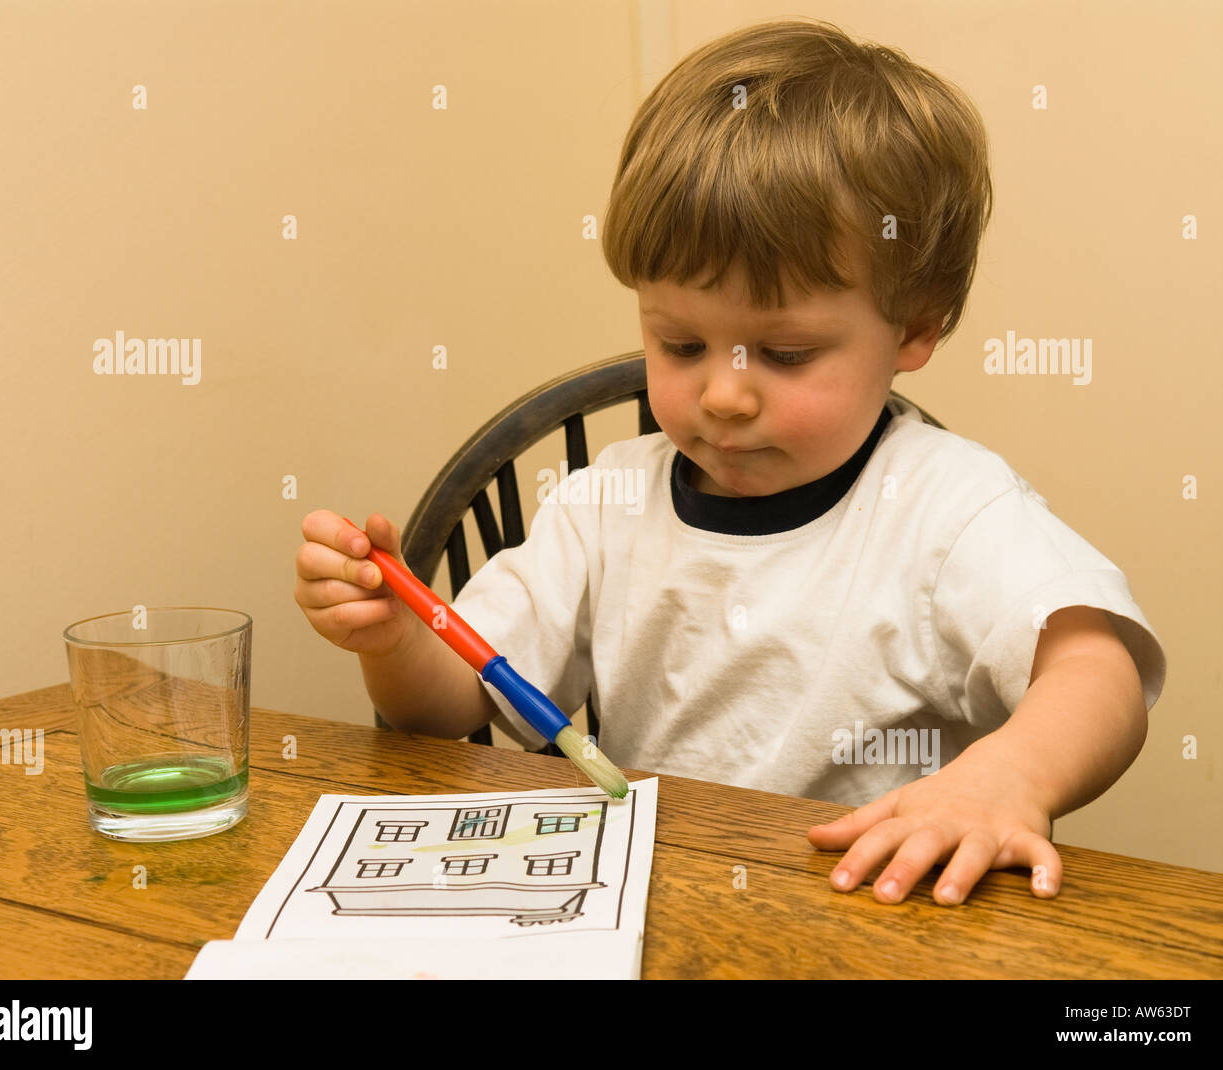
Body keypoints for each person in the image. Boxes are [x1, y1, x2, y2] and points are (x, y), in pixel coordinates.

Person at [294, 17, 1165, 907]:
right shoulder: (604, 506)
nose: (723, 396)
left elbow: (1103, 674)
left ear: (914, 328)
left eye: (784, 355)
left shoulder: (947, 509)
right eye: (679, 344)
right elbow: (446, 711)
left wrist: (1007, 778)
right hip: (652, 910)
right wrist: (398, 637)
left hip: (872, 918)